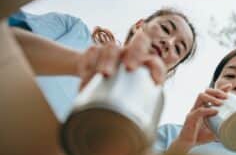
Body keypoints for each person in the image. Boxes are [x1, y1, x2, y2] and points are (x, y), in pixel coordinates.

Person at [9, 9, 197, 120]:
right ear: (139, 25)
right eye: (165, 28)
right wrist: (78, 62)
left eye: (178, 49)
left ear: (171, 68)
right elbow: (6, 36)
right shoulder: (73, 29)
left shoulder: (139, 118)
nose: (168, 43)